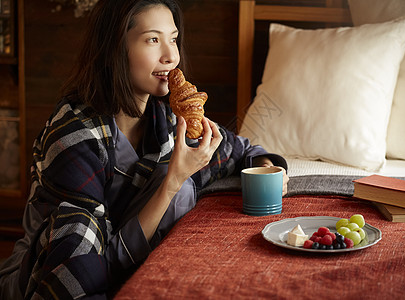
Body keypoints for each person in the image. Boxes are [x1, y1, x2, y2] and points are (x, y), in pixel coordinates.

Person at [0, 0, 288, 298]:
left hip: (123, 266)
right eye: (153, 39)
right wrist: (172, 182)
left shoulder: (165, 122)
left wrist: (268, 167)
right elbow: (77, 270)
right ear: (115, 48)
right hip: (48, 274)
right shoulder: (73, 137)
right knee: (170, 185)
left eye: (173, 39)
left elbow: (240, 151)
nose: (171, 56)